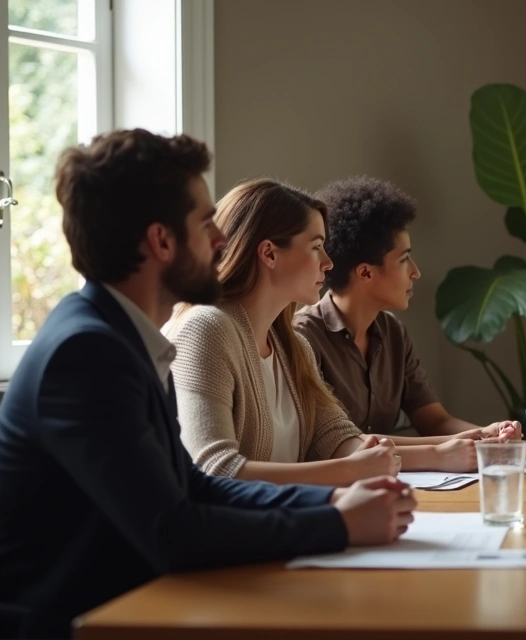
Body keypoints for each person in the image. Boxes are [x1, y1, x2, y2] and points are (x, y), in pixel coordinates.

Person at [0, 130, 416, 639]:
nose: (222, 239)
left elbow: (193, 486)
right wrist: (338, 524)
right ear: (162, 241)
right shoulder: (87, 354)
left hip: (137, 604)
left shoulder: (122, 338)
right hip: (80, 623)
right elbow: (171, 531)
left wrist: (329, 503)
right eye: (205, 223)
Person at [168, 179, 482, 486]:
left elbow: (337, 437)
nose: (329, 263)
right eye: (317, 247)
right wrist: (351, 470)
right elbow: (214, 471)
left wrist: (383, 456)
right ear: (269, 254)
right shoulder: (207, 329)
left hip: (286, 526)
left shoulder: (293, 347)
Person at [294, 176, 521, 441]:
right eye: (404, 260)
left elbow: (435, 422)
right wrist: (443, 451)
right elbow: (341, 443)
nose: (415, 272)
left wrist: (486, 435)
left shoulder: (393, 332)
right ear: (365, 272)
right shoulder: (304, 338)